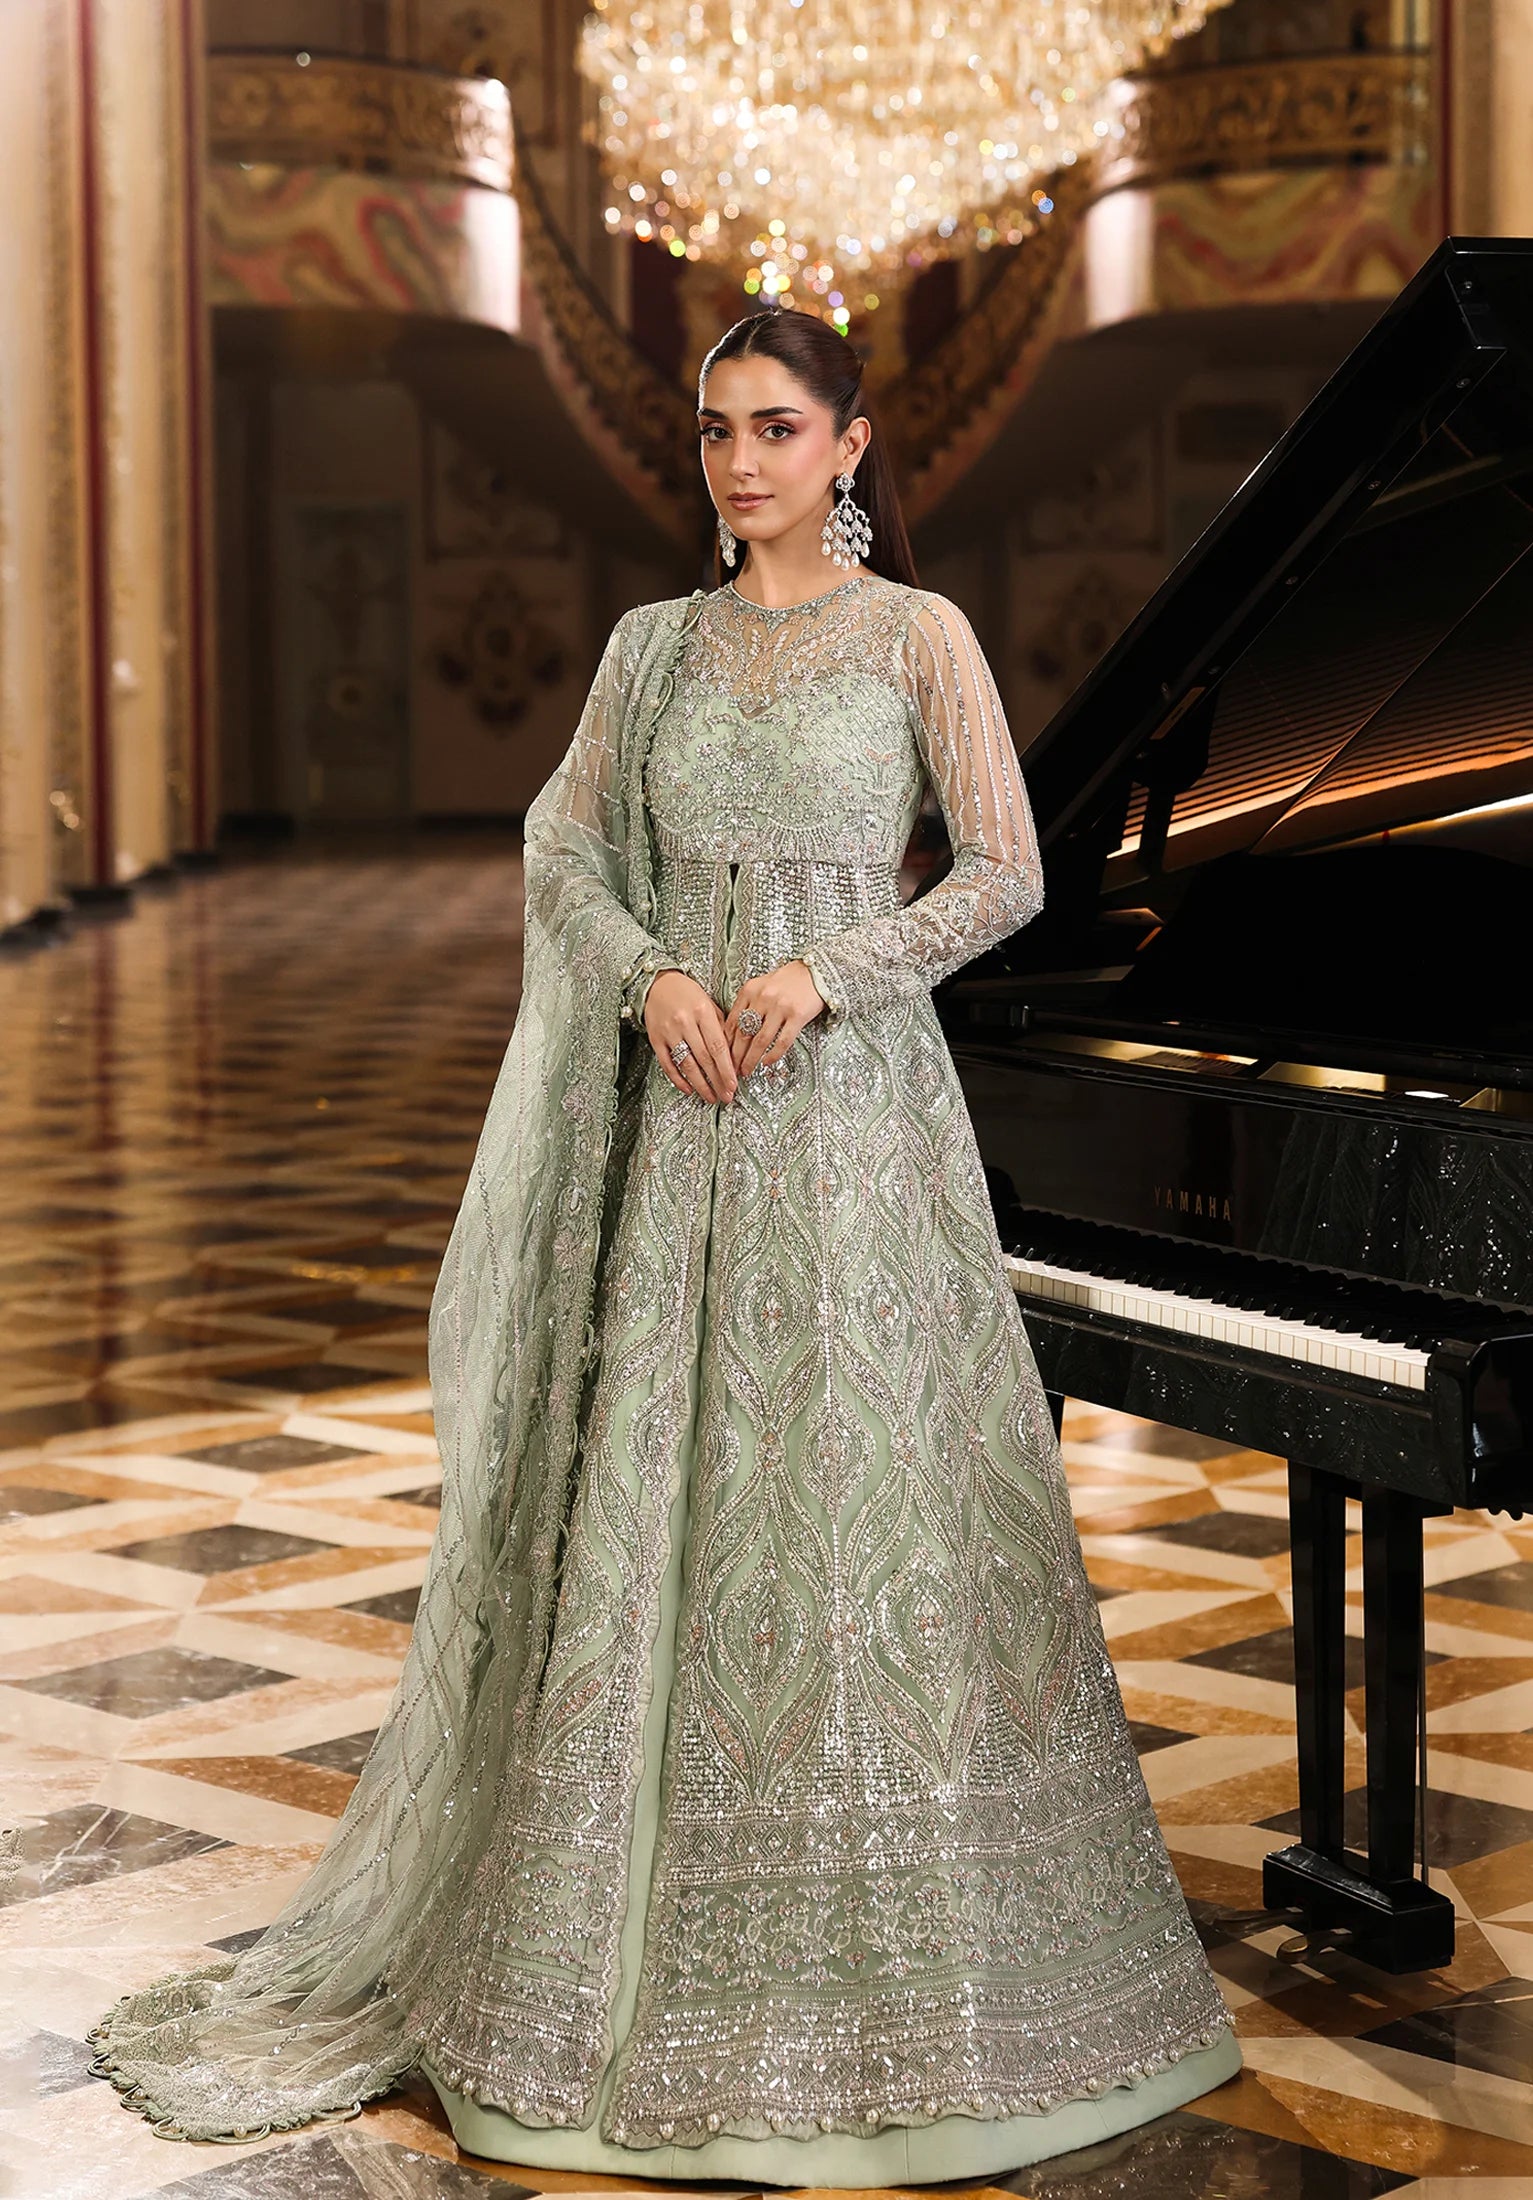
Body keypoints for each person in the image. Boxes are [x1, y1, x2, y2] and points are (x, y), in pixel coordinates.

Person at [91, 307, 1239, 2184]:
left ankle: (915, 1996)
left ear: (854, 445)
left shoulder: (914, 639)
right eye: (715, 431)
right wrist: (644, 981)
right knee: (662, 1517)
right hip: (678, 1137)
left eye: (779, 428)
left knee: (858, 1516)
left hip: (857, 1141)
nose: (740, 462)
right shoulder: (647, 651)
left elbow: (1010, 871)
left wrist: (824, 969)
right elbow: (563, 851)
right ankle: (606, 1977)